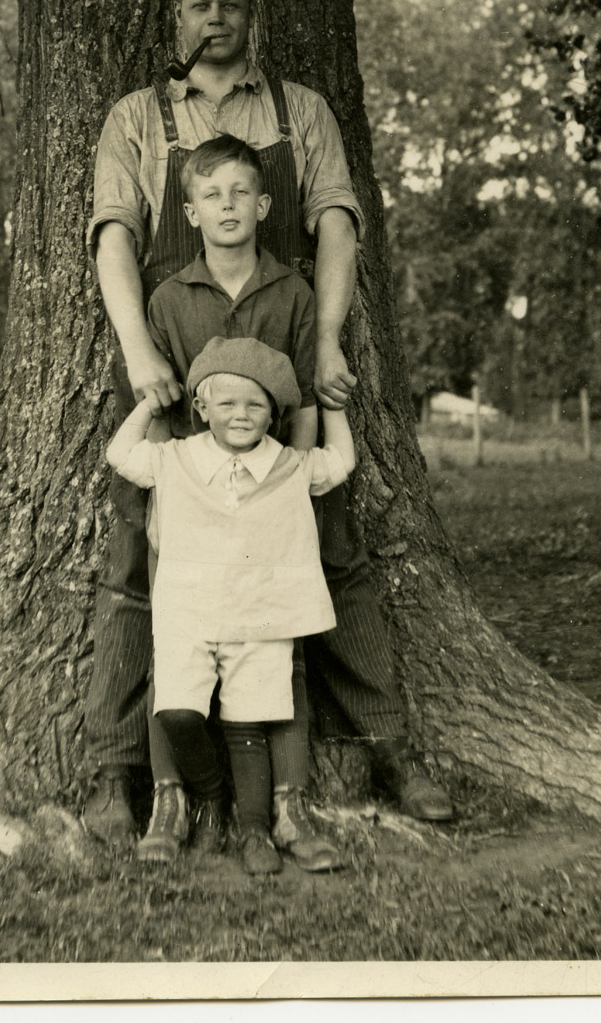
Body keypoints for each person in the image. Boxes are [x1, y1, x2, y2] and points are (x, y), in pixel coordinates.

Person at [83, 0, 451, 847]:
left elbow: (336, 226)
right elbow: (115, 239)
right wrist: (141, 357)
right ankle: (117, 769)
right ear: (176, 20)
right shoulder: (139, 117)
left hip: (283, 362)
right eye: (199, 6)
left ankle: (389, 745)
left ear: (253, 19)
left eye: (233, 7)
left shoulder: (299, 110)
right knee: (138, 561)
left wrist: (323, 342)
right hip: (176, 357)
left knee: (331, 545)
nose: (216, 19)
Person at [136, 132, 341, 869]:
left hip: (270, 498)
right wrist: (166, 502)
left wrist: (300, 482)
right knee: (177, 637)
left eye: (239, 193)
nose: (226, 207)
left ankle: (285, 808)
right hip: (191, 496)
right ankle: (173, 798)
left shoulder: (290, 290)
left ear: (264, 205)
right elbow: (154, 412)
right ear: (189, 209)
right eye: (210, 193)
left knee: (274, 646)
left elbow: (310, 399)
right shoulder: (168, 296)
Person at [107, 337, 356, 876]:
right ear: (200, 408)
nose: (241, 415)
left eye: (256, 404)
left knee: (249, 725)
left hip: (259, 619)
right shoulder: (174, 459)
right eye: (226, 403)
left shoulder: (288, 466)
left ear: (275, 412)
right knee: (175, 710)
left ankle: (253, 830)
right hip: (187, 616)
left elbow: (341, 462)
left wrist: (332, 405)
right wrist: (150, 402)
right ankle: (209, 795)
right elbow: (120, 455)